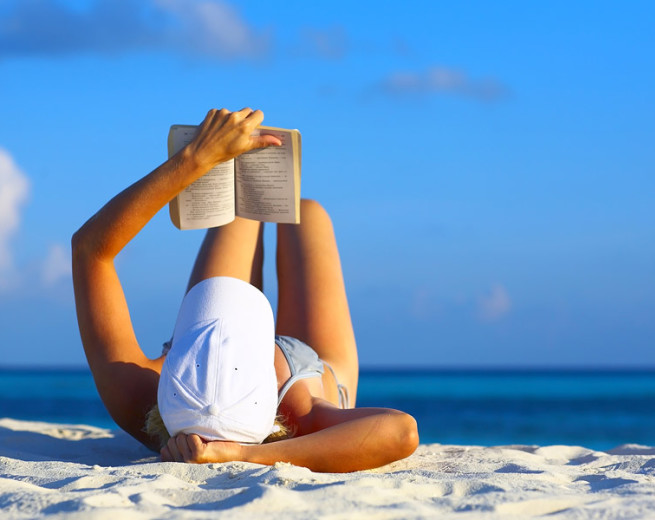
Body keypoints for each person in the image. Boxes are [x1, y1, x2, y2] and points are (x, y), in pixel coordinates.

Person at [72, 108, 418, 472]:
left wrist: (196, 158)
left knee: (240, 213)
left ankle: (232, 166)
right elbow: (401, 432)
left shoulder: (137, 398)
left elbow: (90, 251)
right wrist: (244, 455)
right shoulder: (301, 415)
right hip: (306, 370)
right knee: (307, 214)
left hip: (261, 388)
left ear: (171, 376)